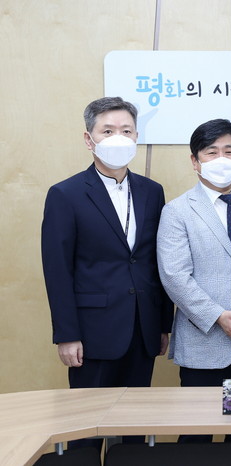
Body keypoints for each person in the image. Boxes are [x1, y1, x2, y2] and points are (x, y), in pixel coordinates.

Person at [41, 96, 173, 451]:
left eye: (126, 131)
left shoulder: (152, 191)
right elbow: (57, 270)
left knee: (134, 431)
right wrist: (67, 334)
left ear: (137, 136)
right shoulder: (65, 194)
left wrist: (163, 324)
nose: (118, 138)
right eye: (108, 130)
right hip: (92, 333)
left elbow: (156, 262)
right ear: (90, 139)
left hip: (143, 329)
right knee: (85, 431)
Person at [157, 119, 231, 443]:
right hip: (205, 342)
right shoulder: (177, 211)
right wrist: (217, 316)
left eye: (229, 151)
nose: (221, 159)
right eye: (211, 152)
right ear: (195, 161)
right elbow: (174, 276)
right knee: (196, 438)